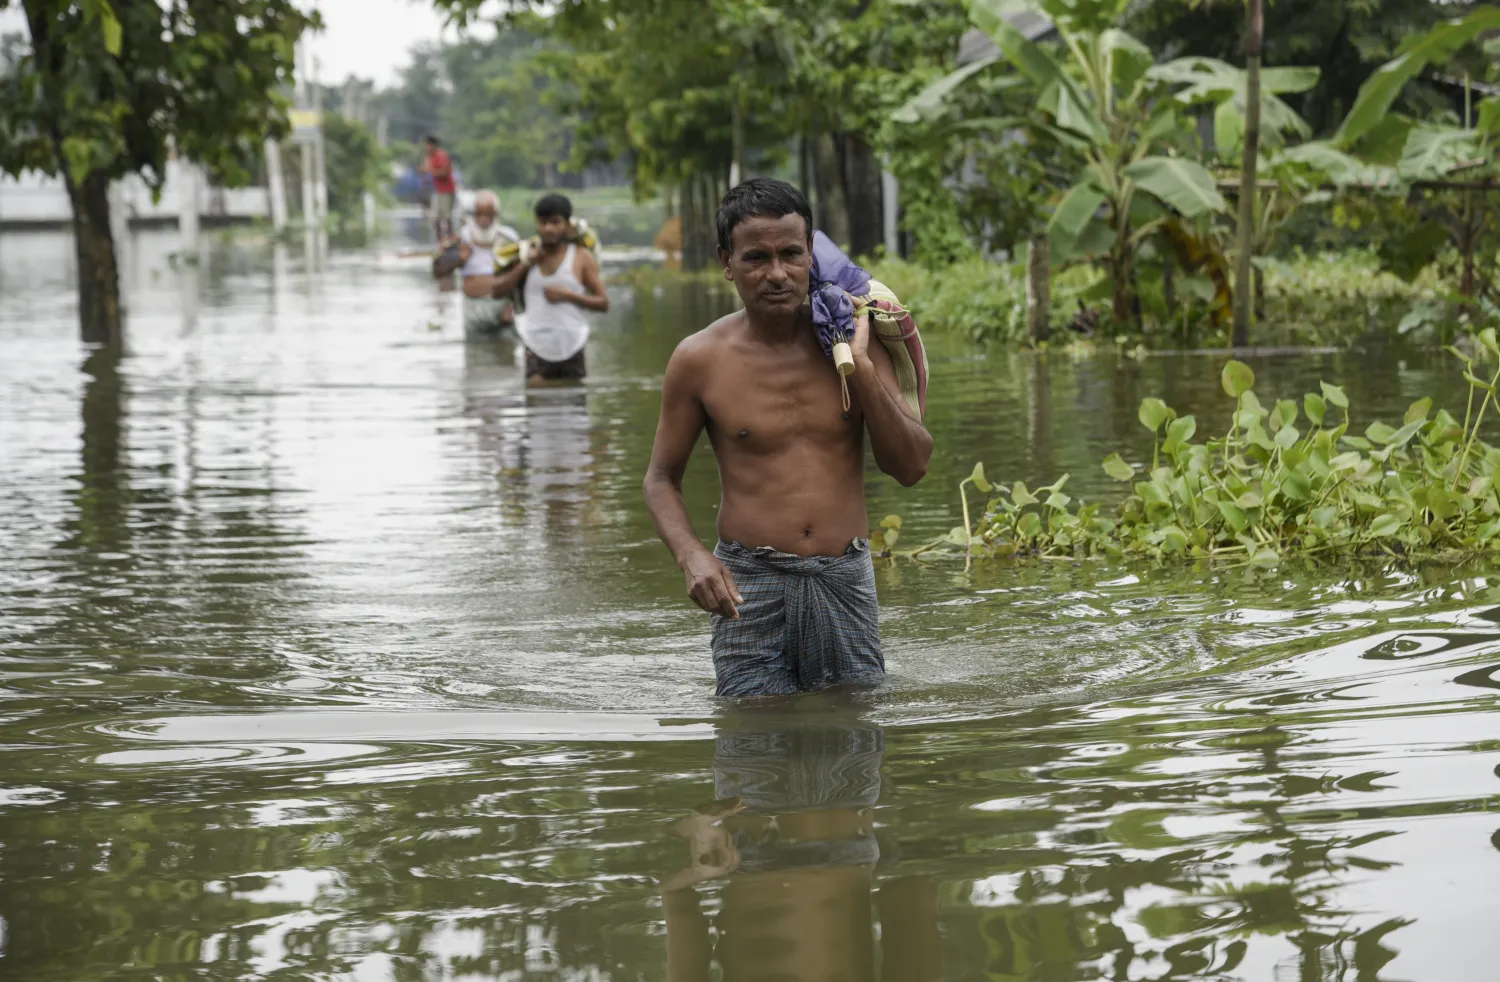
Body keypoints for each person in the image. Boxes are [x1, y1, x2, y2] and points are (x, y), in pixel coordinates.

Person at [642, 178, 932, 700]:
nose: (776, 274)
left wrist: (861, 369)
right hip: (747, 583)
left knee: (852, 739)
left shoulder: (854, 339)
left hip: (844, 576)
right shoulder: (699, 359)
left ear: (810, 252)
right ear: (727, 262)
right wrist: (691, 557)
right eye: (756, 258)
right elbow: (661, 479)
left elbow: (911, 467)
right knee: (752, 745)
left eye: (791, 254)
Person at [486, 193, 609, 384]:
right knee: (537, 400)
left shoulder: (581, 257)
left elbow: (603, 302)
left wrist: (568, 295)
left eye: (555, 222)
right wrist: (525, 265)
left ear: (567, 225)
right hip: (535, 344)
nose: (548, 228)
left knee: (574, 403)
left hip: (572, 343)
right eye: (543, 223)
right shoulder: (525, 254)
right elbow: (496, 292)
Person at [456, 190, 521, 337]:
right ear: (473, 214)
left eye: (488, 214)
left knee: (505, 353)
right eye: (479, 214)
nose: (483, 219)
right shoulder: (463, 237)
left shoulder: (508, 237)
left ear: (496, 214)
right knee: (475, 354)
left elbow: (520, 274)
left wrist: (512, 306)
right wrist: (460, 258)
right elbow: (441, 270)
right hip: (473, 309)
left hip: (502, 308)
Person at [421, 135, 457, 241]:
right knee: (435, 218)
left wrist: (430, 171)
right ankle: (440, 243)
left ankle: (450, 242)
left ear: (433, 146)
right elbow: (428, 174)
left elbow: (445, 172)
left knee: (446, 218)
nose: (426, 148)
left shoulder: (441, 156)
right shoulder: (430, 158)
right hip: (438, 191)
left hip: (447, 191)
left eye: (427, 146)